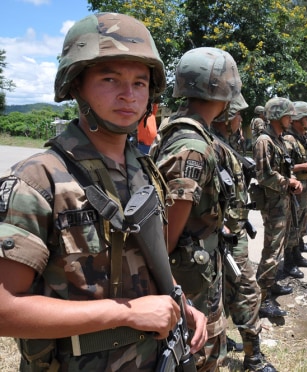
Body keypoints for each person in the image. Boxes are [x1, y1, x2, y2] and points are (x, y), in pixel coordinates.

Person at [0, 13, 207, 371]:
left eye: (140, 83)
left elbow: (150, 255)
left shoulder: (144, 171)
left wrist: (179, 299)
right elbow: (4, 310)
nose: (128, 95)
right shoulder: (37, 180)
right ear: (76, 85)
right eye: (110, 79)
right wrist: (124, 313)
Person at [151, 47, 242, 371]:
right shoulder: (192, 147)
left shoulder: (181, 130)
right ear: (224, 92)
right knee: (197, 356)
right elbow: (166, 238)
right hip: (190, 277)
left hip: (198, 267)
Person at [210, 95, 277, 372]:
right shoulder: (211, 146)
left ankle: (234, 346)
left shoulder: (226, 143)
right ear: (227, 116)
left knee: (232, 293)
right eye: (238, 115)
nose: (242, 121)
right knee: (246, 293)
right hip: (223, 238)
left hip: (232, 233)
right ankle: (253, 359)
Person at [253, 97, 303, 318]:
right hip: (273, 204)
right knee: (272, 252)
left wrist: (292, 180)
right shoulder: (265, 141)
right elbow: (263, 175)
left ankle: (271, 285)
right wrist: (288, 182)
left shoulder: (279, 139)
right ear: (277, 116)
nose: (291, 119)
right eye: (288, 115)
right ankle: (261, 300)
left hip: (283, 201)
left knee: (278, 249)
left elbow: (283, 168)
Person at [282, 101, 307, 279]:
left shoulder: (304, 139)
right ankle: (288, 262)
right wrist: (303, 166)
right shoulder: (289, 140)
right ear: (298, 120)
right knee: (293, 226)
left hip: (306, 188)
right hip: (295, 190)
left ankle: (297, 255)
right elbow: (283, 167)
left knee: (301, 225)